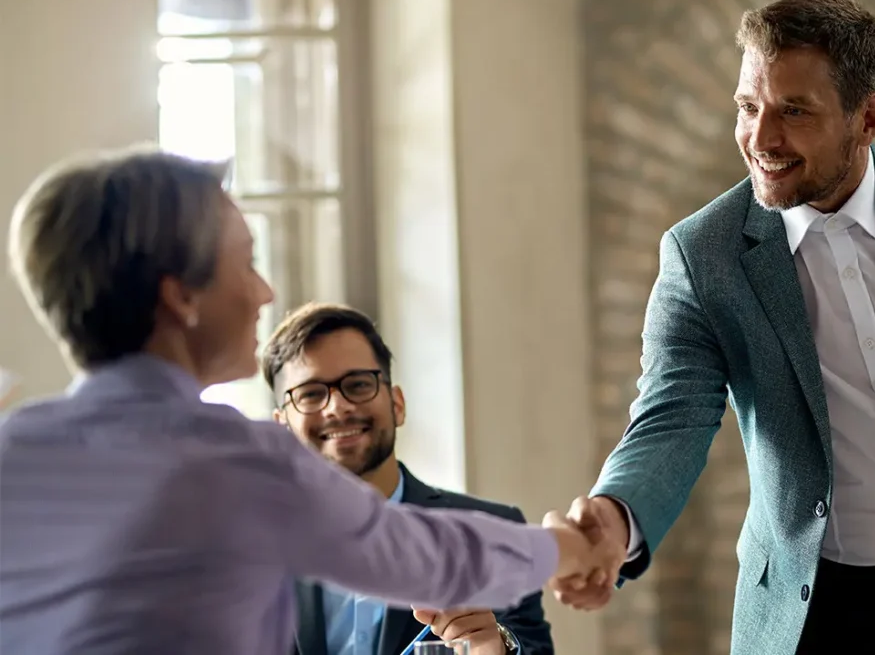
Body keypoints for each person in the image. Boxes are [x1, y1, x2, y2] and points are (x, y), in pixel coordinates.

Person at [551, 0, 875, 655]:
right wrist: (611, 516)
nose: (761, 138)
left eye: (793, 111)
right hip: (816, 614)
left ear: (868, 117)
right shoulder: (702, 254)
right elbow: (672, 416)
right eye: (748, 107)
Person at [0, 147, 601, 655]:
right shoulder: (232, 459)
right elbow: (427, 556)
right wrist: (577, 547)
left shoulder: (12, 455)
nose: (264, 293)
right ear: (181, 296)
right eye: (247, 261)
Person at [260, 302, 554, 655]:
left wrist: (497, 647)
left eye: (357, 384)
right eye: (310, 394)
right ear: (282, 427)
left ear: (397, 404)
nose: (337, 407)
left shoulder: (495, 530)